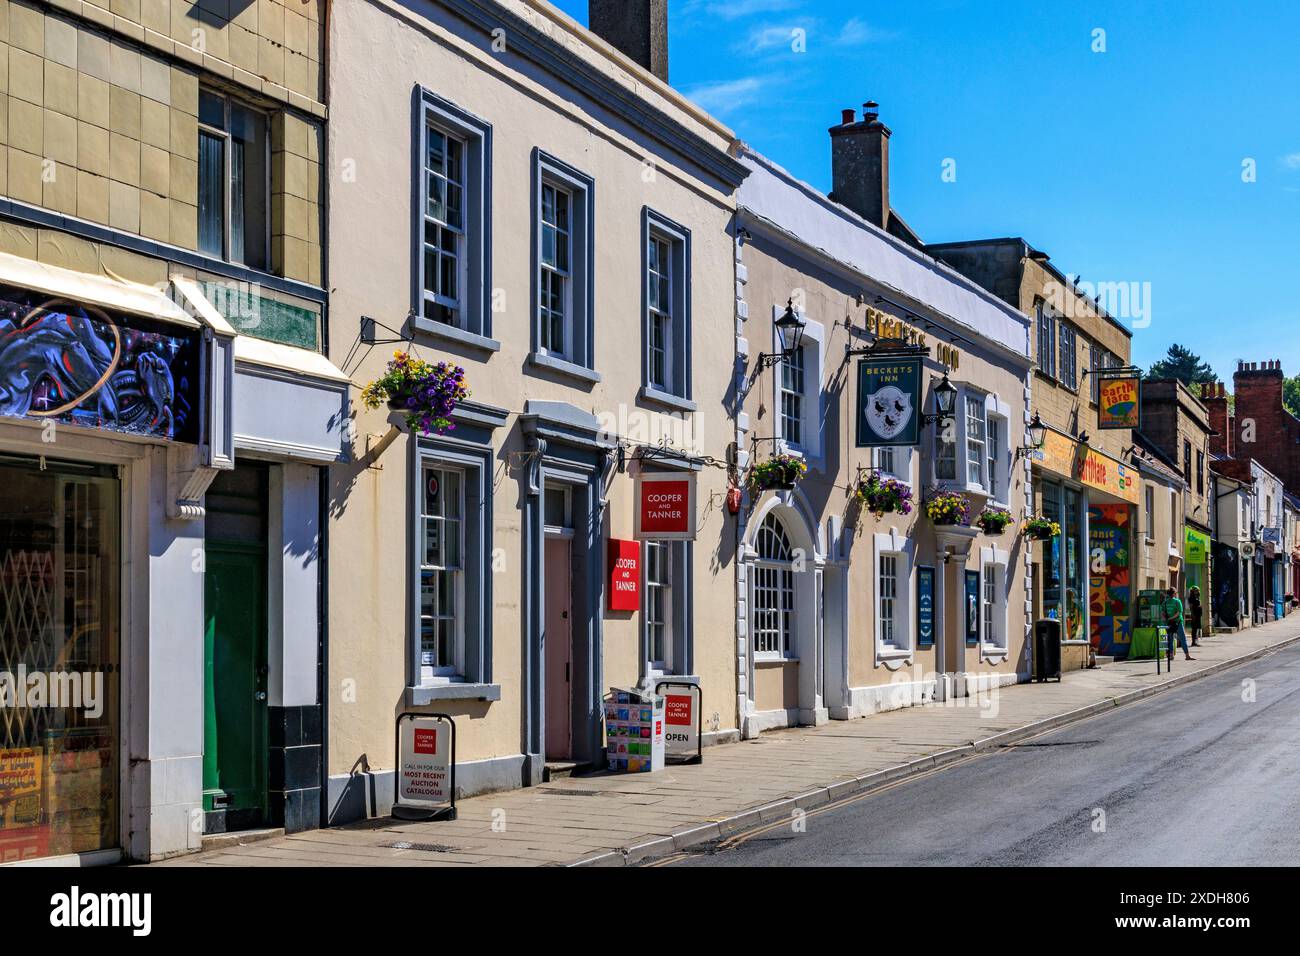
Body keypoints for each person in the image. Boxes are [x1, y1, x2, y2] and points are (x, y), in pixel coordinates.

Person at [1163, 587, 1194, 661]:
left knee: (1170, 639)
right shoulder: (1177, 601)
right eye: (1175, 593)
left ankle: (1171, 656)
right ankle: (1187, 655)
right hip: (1178, 622)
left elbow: (1163, 613)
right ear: (1174, 594)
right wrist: (1171, 618)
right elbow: (1179, 613)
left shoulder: (1165, 603)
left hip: (1169, 623)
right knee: (1183, 639)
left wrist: (1166, 620)